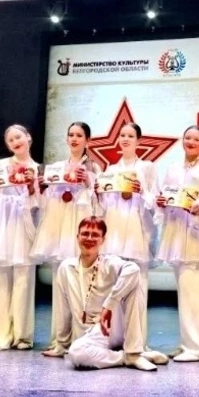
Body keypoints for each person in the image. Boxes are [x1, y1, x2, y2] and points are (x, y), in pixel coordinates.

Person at [41, 216, 168, 371]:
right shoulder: (66, 267)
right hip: (89, 336)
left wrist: (109, 305)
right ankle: (127, 357)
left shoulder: (110, 263)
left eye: (95, 235)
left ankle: (134, 352)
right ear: (77, 237)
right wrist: (61, 346)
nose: (89, 238)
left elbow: (133, 269)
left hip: (113, 327)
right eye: (85, 234)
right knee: (76, 353)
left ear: (103, 240)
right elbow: (63, 310)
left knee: (132, 282)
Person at [31, 122, 101, 348]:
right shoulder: (56, 167)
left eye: (79, 135)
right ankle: (59, 340)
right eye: (71, 134)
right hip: (59, 226)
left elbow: (99, 201)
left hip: (79, 225)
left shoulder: (94, 168)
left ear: (87, 140)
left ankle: (81, 340)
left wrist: (88, 181)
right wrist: (43, 185)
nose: (74, 139)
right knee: (60, 282)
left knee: (82, 285)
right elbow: (47, 199)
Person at [155, 125, 199, 362]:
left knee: (194, 293)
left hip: (196, 234)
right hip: (176, 233)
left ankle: (197, 348)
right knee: (185, 293)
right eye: (188, 138)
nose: (191, 142)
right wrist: (161, 201)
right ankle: (188, 344)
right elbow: (165, 194)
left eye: (196, 139)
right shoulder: (173, 168)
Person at [0, 125, 40, 350]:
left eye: (18, 137)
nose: (15, 142)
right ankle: (1, 336)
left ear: (28, 137)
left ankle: (22, 335)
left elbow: (39, 203)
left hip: (23, 221)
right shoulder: (1, 165)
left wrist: (31, 186)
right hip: (1, 222)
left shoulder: (37, 169)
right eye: (10, 140)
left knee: (24, 279)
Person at [96, 122, 158, 343]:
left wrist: (142, 192)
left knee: (138, 287)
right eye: (122, 135)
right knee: (114, 287)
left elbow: (155, 201)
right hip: (114, 229)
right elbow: (104, 206)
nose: (125, 139)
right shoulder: (110, 170)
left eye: (130, 136)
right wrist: (98, 193)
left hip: (136, 231)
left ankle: (137, 341)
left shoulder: (147, 168)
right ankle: (114, 339)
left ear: (138, 141)